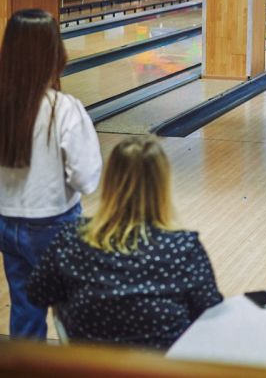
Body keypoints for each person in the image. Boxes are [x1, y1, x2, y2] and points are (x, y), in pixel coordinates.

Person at [27, 136, 222, 350]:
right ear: (162, 185)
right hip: (163, 365)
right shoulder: (183, 247)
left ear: (110, 182)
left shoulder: (71, 238)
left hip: (88, 364)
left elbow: (37, 293)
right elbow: (210, 310)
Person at [0, 9, 102, 339]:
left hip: (6, 222)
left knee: (25, 310)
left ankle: (27, 364)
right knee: (73, 311)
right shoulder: (64, 108)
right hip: (54, 224)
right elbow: (86, 178)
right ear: (54, 54)